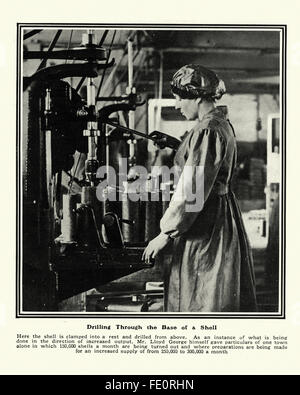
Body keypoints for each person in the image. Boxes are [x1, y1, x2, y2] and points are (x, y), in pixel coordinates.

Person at [142, 64, 257, 312]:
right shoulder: (218, 124)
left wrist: (166, 233)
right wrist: (176, 144)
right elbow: (206, 162)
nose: (176, 105)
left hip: (206, 223)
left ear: (196, 97)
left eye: (179, 98)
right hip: (218, 216)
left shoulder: (207, 130)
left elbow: (192, 190)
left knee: (203, 296)